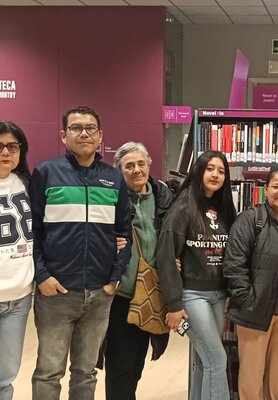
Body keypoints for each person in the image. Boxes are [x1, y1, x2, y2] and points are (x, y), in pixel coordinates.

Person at [29, 106, 131, 400]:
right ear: (64, 135)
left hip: (100, 293)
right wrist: (42, 276)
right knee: (49, 372)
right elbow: (33, 230)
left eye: (90, 128)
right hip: (56, 293)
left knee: (86, 372)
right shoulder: (46, 173)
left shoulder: (114, 178)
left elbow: (124, 233)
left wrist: (113, 279)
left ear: (100, 136)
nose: (84, 133)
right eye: (76, 128)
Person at [223, 168, 278, 400]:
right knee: (251, 381)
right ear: (266, 189)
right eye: (276, 186)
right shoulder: (250, 219)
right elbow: (234, 265)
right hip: (255, 313)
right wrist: (247, 301)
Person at [156, 150, 236, 400]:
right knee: (217, 359)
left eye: (221, 171)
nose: (215, 175)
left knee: (204, 361)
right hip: (191, 295)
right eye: (210, 169)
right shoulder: (183, 206)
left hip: (219, 295)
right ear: (199, 171)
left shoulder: (224, 208)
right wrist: (174, 304)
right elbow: (166, 254)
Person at [103, 142, 174, 400]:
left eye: (141, 164)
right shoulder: (110, 198)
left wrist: (174, 262)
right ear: (120, 170)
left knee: (136, 364)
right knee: (119, 364)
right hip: (120, 295)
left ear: (149, 165)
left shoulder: (164, 197)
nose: (136, 170)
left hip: (151, 293)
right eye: (129, 166)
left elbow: (174, 237)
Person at [0, 122, 33, 400]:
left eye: (12, 146)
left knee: (6, 377)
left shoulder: (27, 184)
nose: (5, 152)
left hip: (19, 299)